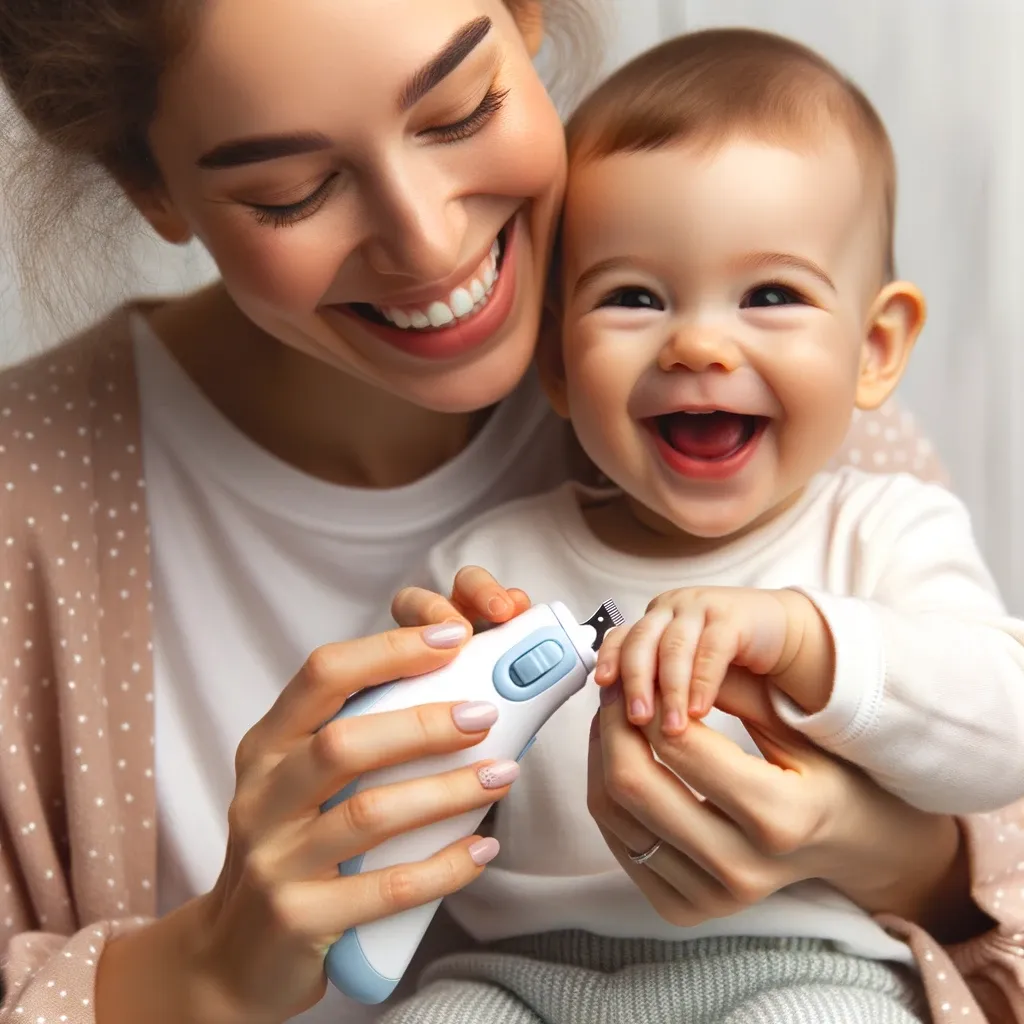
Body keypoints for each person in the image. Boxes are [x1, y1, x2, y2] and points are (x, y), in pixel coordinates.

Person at [0, 3, 1017, 1024]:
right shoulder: (31, 503)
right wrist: (207, 969)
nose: (428, 241)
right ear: (149, 183)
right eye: (291, 190)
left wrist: (882, 851)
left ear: (523, 16)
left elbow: (996, 799)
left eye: (457, 107)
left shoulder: (813, 443)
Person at [384, 27, 1024, 1024]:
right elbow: (405, 813)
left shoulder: (883, 531)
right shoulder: (489, 565)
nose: (697, 342)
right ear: (556, 363)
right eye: (633, 296)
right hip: (517, 974)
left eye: (770, 294)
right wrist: (430, 697)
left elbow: (1001, 731)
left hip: (804, 963)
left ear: (875, 345)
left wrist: (809, 640)